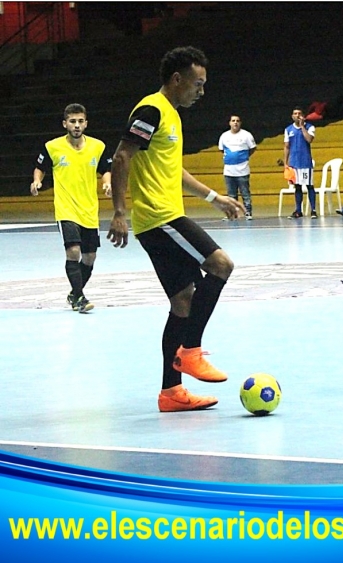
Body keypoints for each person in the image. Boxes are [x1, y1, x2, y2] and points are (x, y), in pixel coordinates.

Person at [107, 46, 246, 413]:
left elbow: (173, 171)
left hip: (164, 216)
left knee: (182, 303)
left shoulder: (171, 115)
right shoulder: (152, 109)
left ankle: (171, 393)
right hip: (160, 218)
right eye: (197, 84)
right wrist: (119, 211)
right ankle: (190, 351)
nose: (201, 91)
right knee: (221, 265)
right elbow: (121, 156)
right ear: (177, 79)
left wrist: (215, 197)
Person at [30, 103, 112, 314]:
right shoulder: (52, 147)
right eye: (72, 121)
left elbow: (105, 169)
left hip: (89, 209)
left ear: (86, 123)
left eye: (80, 121)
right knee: (73, 251)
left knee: (89, 257)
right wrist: (36, 182)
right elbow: (40, 168)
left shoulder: (98, 146)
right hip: (66, 208)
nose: (76, 125)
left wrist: (107, 182)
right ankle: (80, 298)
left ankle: (75, 293)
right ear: (65, 123)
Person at [218, 114, 256, 220]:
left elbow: (252, 148)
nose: (235, 122)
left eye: (237, 121)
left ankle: (248, 212)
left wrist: (242, 157)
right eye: (233, 120)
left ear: (240, 123)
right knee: (231, 195)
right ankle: (232, 214)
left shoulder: (246, 135)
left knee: (245, 194)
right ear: (229, 123)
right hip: (229, 172)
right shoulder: (224, 136)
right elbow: (222, 150)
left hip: (242, 171)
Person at [284, 107, 317, 218]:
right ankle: (298, 210)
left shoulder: (310, 127)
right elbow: (287, 147)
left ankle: (313, 210)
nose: (297, 115)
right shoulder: (288, 130)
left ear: (303, 115)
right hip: (294, 163)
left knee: (309, 185)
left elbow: (309, 139)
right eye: (295, 114)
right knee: (297, 187)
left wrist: (302, 126)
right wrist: (286, 163)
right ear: (292, 116)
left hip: (305, 162)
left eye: (299, 113)